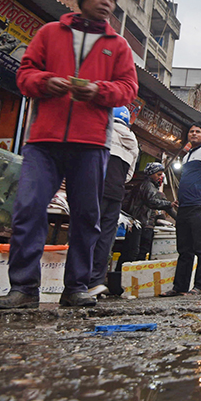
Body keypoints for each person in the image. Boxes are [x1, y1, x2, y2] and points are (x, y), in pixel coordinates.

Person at [0, 0, 137, 310]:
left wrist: (99, 91)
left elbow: (128, 88)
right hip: (44, 140)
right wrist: (46, 82)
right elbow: (25, 74)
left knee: (86, 216)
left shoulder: (119, 45)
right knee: (28, 209)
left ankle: (76, 287)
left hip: (92, 142)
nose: (106, 3)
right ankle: (24, 289)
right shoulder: (49, 33)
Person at [85, 105, 138, 298]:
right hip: (116, 194)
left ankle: (79, 282)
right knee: (106, 239)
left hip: (95, 189)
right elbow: (129, 175)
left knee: (87, 233)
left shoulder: (101, 130)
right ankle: (96, 283)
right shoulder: (133, 141)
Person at [165, 124, 201, 296]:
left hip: (199, 204)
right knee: (184, 248)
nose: (194, 134)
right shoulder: (186, 157)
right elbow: (187, 180)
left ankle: (200, 286)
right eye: (191, 131)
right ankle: (179, 287)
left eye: (198, 132)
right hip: (184, 206)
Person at [117, 162, 176, 292]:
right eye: (158, 174)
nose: (160, 177)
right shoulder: (147, 186)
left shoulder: (150, 188)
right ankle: (122, 284)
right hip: (138, 222)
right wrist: (169, 204)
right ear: (151, 174)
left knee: (139, 253)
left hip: (144, 224)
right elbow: (152, 202)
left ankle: (132, 283)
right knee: (132, 253)